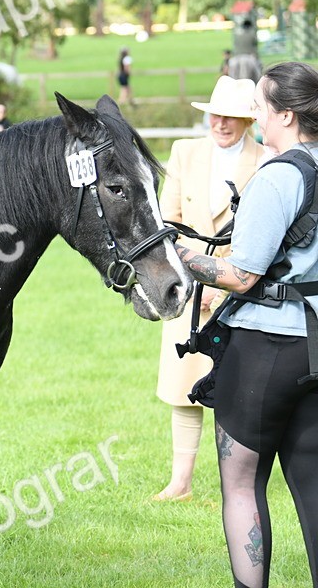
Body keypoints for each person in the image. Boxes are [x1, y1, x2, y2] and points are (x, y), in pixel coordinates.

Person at [172, 61, 318, 588]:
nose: (253, 113)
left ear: (285, 114)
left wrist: (181, 256)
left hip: (265, 349)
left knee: (240, 484)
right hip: (315, 345)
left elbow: (240, 273)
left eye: (259, 105)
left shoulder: (279, 175)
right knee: (313, 484)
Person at [154, 76, 264, 501]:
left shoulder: (266, 159)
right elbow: (167, 220)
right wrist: (195, 280)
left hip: (241, 287)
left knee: (234, 387)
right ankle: (180, 482)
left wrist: (225, 287)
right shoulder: (185, 152)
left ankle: (233, 483)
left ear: (246, 120)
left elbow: (263, 234)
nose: (220, 122)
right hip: (185, 285)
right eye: (215, 113)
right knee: (184, 386)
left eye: (231, 116)